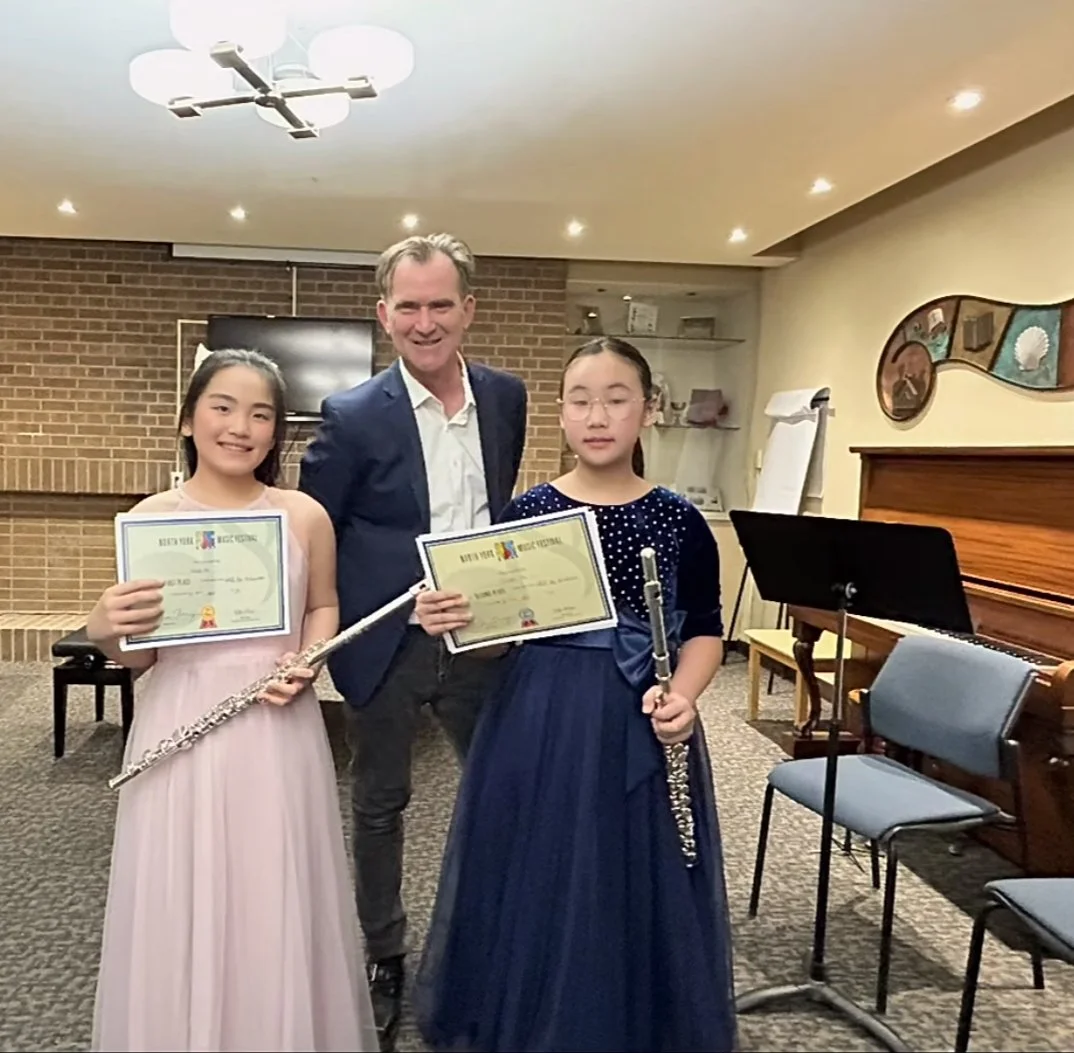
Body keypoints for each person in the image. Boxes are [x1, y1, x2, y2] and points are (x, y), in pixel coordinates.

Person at [411, 336, 739, 1051]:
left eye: (617, 399)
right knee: (540, 865)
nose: (598, 416)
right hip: (538, 714)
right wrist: (457, 624)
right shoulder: (527, 510)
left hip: (641, 713)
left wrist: (684, 696)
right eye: (581, 400)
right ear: (560, 414)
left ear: (648, 411)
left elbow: (707, 631)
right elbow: (500, 640)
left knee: (630, 871)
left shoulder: (679, 519)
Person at [88, 348, 379, 1052]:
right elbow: (139, 654)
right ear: (189, 418)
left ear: (278, 432)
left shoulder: (303, 514)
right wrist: (104, 628)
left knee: (270, 888)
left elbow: (325, 605)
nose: (240, 427)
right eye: (222, 406)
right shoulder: (151, 519)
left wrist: (306, 660)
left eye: (261, 414)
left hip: (277, 723)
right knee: (180, 891)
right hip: (181, 717)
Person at [297, 232, 528, 1048]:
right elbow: (319, 528)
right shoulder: (353, 415)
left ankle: (488, 941)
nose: (424, 322)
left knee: (500, 790)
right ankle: (385, 953)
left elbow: (495, 507)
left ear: (468, 309)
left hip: (484, 639)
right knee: (380, 804)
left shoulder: (507, 397)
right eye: (408, 306)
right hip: (390, 641)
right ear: (382, 313)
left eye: (440, 305)